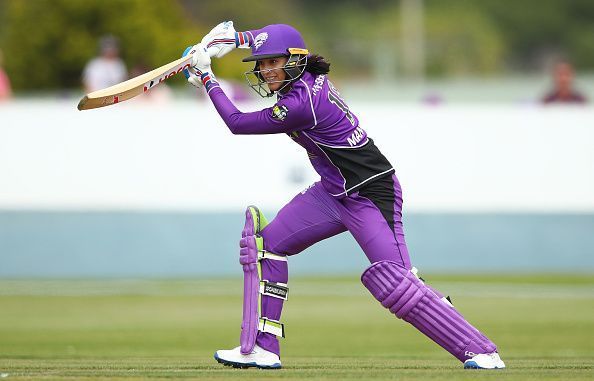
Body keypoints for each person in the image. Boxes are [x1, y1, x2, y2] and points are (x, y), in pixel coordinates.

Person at [183, 21, 506, 370]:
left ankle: (482, 350)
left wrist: (207, 78)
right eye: (261, 63)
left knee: (398, 285)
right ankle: (264, 348)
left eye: (271, 63)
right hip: (332, 192)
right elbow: (274, 41)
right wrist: (234, 40)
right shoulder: (302, 81)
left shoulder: (302, 102)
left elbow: (237, 123)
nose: (264, 71)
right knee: (269, 244)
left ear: (294, 61)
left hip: (371, 193)